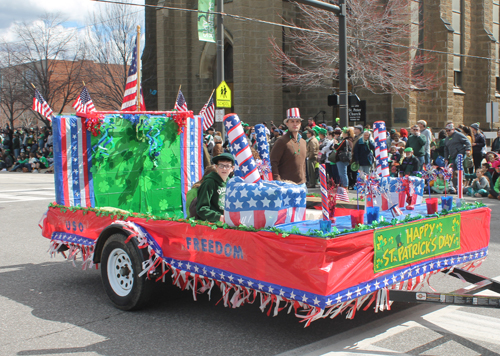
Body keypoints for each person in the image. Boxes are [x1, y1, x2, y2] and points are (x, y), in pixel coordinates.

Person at [270, 108, 307, 184]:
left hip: (302, 184)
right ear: (287, 124)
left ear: (300, 124)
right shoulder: (281, 141)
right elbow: (273, 162)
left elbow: (303, 164)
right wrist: (278, 181)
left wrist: (304, 179)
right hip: (286, 184)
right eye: (292, 121)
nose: (295, 124)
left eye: (297, 121)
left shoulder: (303, 142)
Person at [196, 153, 234, 223]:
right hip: (212, 225)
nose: (224, 168)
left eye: (227, 166)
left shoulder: (231, 183)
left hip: (228, 223)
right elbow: (201, 209)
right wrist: (219, 217)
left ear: (232, 168)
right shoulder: (209, 183)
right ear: (216, 167)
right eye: (221, 166)